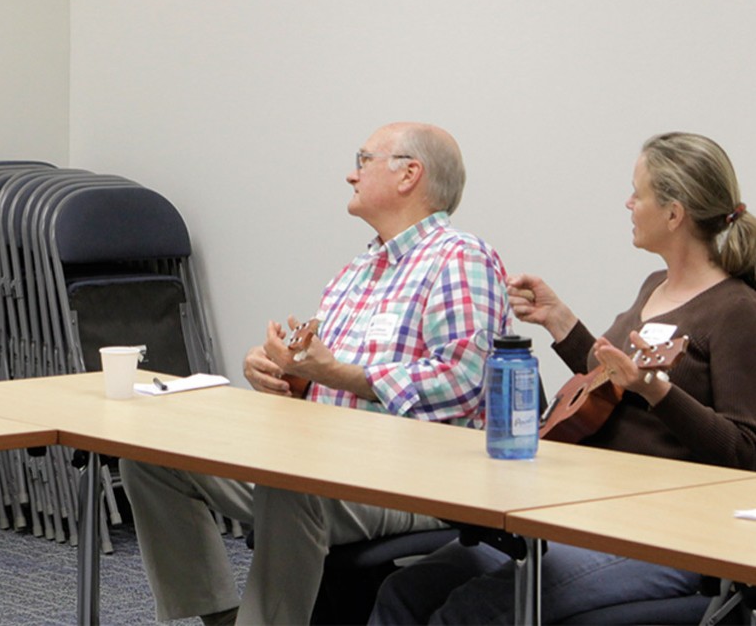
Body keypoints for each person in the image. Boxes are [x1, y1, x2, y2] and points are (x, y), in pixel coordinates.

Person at [119, 122, 510, 625]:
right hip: (331, 464)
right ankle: (222, 617)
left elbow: (463, 381)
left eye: (364, 160)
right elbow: (322, 374)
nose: (351, 175)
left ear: (409, 174)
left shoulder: (460, 258)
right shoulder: (356, 271)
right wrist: (280, 372)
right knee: (151, 456)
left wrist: (340, 374)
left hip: (419, 481)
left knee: (291, 482)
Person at [370, 131, 756, 625]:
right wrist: (560, 321)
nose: (629, 203)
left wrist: (660, 392)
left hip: (666, 536)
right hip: (591, 510)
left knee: (472, 612)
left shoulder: (737, 311)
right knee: (406, 590)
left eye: (637, 194)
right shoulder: (655, 287)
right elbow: (606, 386)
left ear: (674, 214)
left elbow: (746, 453)